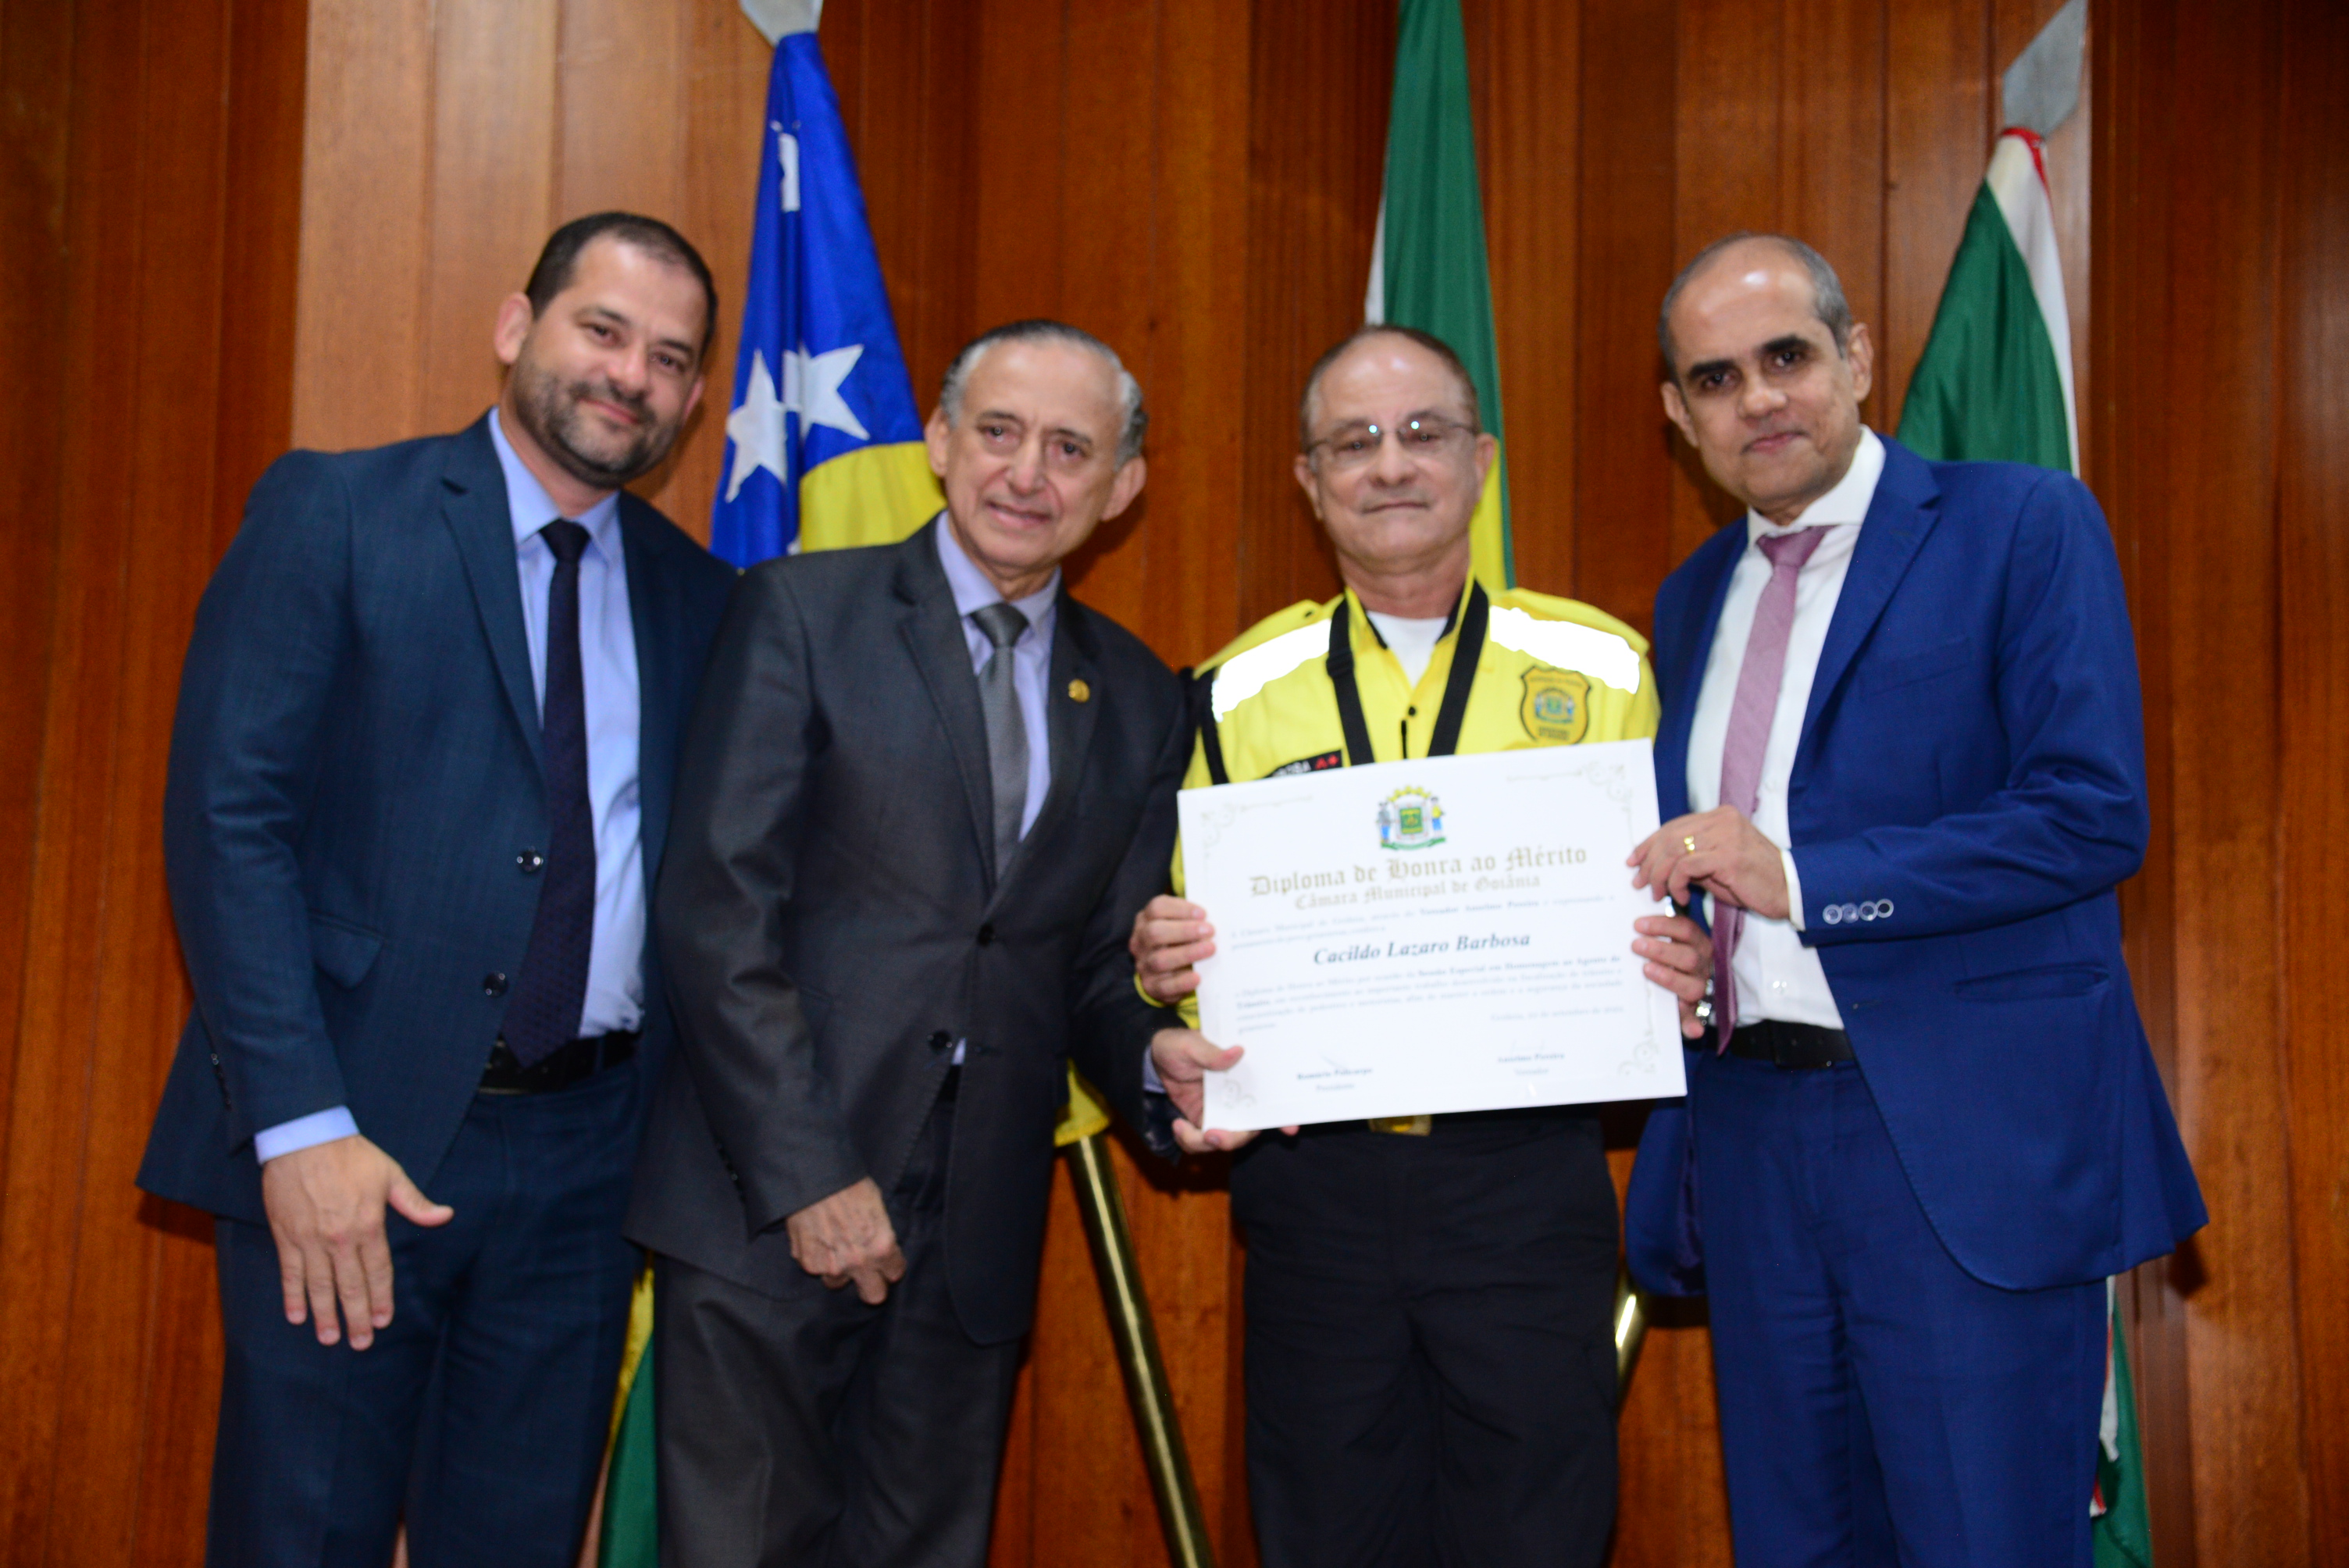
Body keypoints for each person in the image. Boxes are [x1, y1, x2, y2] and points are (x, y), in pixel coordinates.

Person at [136, 212, 737, 1566]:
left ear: (696, 400)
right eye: (603, 330)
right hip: (357, 1137)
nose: (630, 375)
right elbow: (229, 824)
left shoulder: (703, 599)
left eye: (668, 358)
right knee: (305, 1537)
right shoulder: (339, 511)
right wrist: (298, 1128)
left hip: (589, 1170)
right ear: (517, 327)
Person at [1621, 233, 2206, 1566]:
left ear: (1858, 358)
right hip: (1749, 1137)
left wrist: (1801, 881)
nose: (1759, 397)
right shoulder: (1692, 597)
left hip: (1954, 1142)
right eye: (1716, 378)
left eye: (1787, 356)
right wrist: (1692, 950)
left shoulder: (2022, 525)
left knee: (1983, 1541)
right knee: (1799, 1544)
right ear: (1679, 415)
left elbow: (2089, 810)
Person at [1127, 325, 1714, 1568]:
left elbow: (1683, 899)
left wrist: (1685, 955)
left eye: (1421, 433)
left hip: (1525, 1180)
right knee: (1326, 1531)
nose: (1390, 465)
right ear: (1309, 480)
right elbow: (1179, 946)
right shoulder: (1231, 690)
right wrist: (1164, 963)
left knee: (1538, 1531)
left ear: (1481, 459)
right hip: (1315, 1186)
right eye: (1353, 442)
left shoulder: (1606, 666)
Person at [626, 319, 1196, 1568]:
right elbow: (718, 911)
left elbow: (1095, 966)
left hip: (974, 1233)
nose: (1026, 474)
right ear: (938, 441)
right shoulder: (799, 613)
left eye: (1070, 448)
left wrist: (1156, 1063)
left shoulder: (1144, 697)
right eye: (998, 432)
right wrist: (808, 1177)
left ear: (1122, 488)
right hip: (769, 1202)